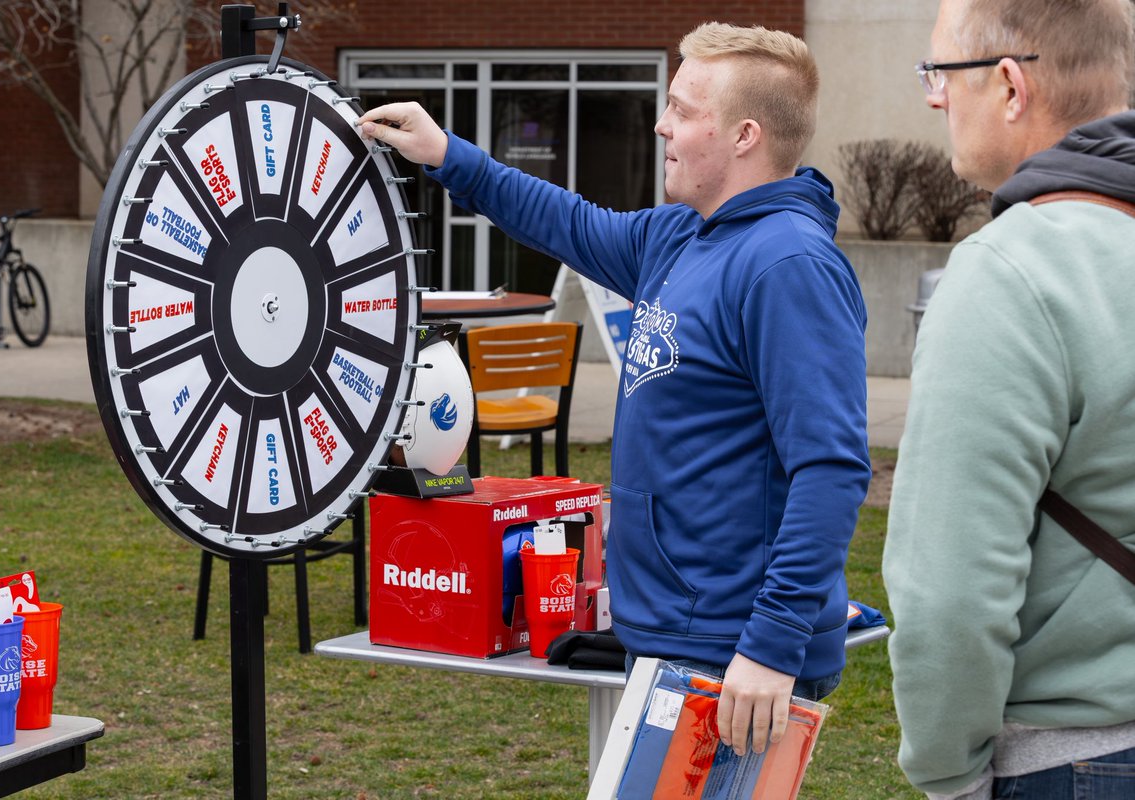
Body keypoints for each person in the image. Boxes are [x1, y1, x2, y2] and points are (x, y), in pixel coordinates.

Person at [360, 22, 870, 758]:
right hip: (672, 633)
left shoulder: (786, 264)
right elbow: (565, 220)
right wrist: (447, 156)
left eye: (684, 108)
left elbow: (830, 469)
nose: (660, 124)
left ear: (743, 135)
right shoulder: (681, 236)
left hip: (732, 655)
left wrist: (772, 645)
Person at [883, 1, 1135, 798]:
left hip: (1076, 760)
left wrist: (947, 776)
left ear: (1007, 84)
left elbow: (947, 593)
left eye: (940, 72)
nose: (932, 97)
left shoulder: (1011, 271)